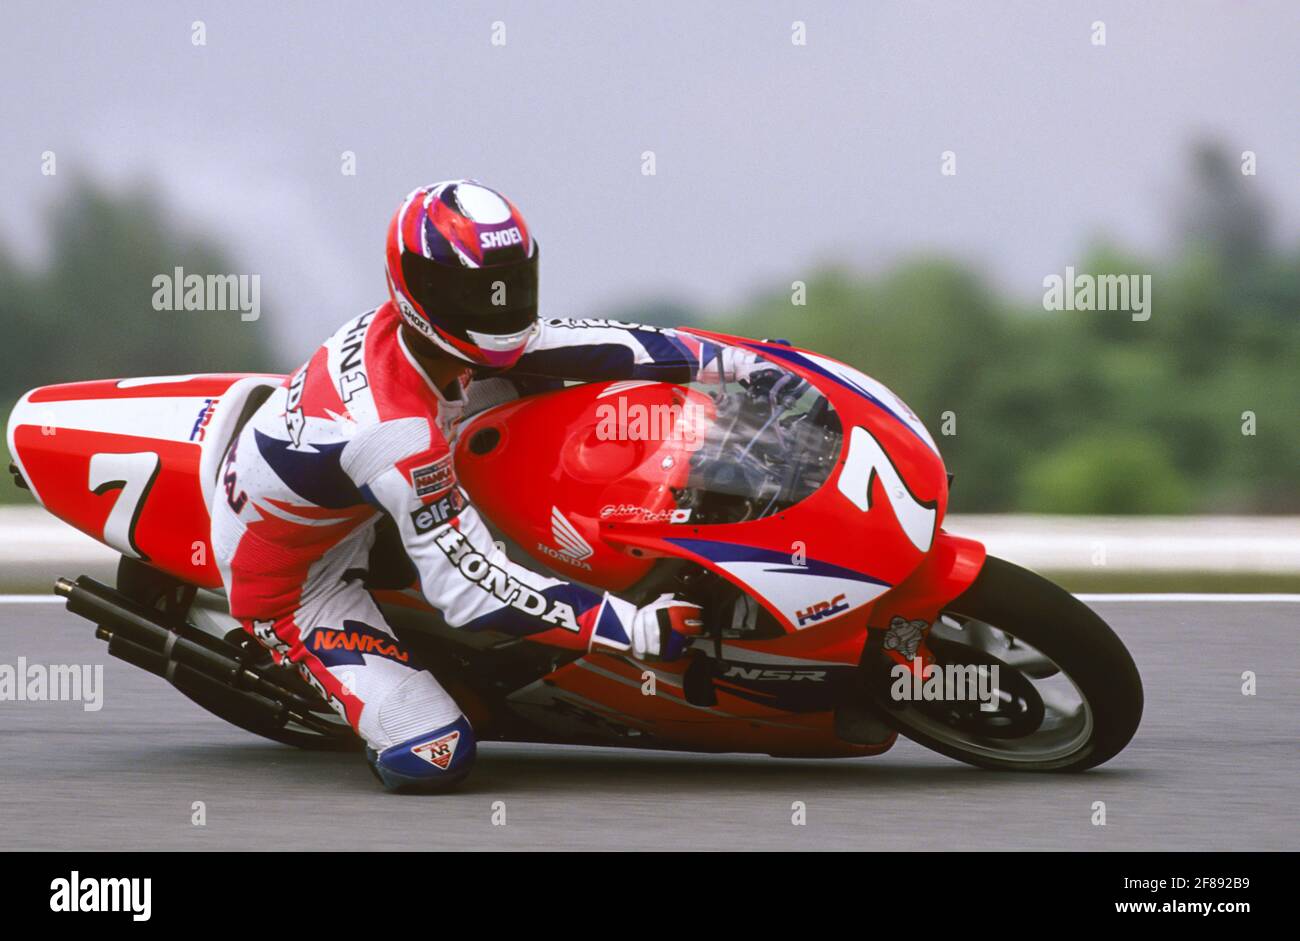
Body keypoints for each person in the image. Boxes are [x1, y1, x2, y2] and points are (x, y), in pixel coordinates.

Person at [209, 180, 744, 793]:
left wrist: (737, 361)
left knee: (552, 378)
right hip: (298, 578)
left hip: (359, 484)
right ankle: (338, 667)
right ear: (420, 291)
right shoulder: (397, 436)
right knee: (435, 756)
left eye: (512, 287)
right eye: (477, 294)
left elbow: (600, 345)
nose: (500, 309)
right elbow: (469, 590)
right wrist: (635, 629)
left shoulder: (434, 338)